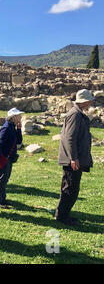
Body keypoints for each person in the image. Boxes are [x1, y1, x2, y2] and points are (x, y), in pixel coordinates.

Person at [55, 89, 94, 226]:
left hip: (75, 158)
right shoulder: (75, 114)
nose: (91, 103)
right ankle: (62, 216)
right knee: (70, 188)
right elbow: (69, 138)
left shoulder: (77, 113)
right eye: (89, 100)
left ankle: (63, 214)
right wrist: (73, 158)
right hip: (72, 159)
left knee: (72, 187)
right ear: (84, 101)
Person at [0, 108, 23, 209]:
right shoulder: (5, 128)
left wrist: (19, 129)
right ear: (13, 117)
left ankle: (2, 198)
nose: (21, 117)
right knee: (2, 178)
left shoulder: (12, 127)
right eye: (19, 115)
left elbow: (18, 142)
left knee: (5, 178)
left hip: (9, 158)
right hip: (3, 157)